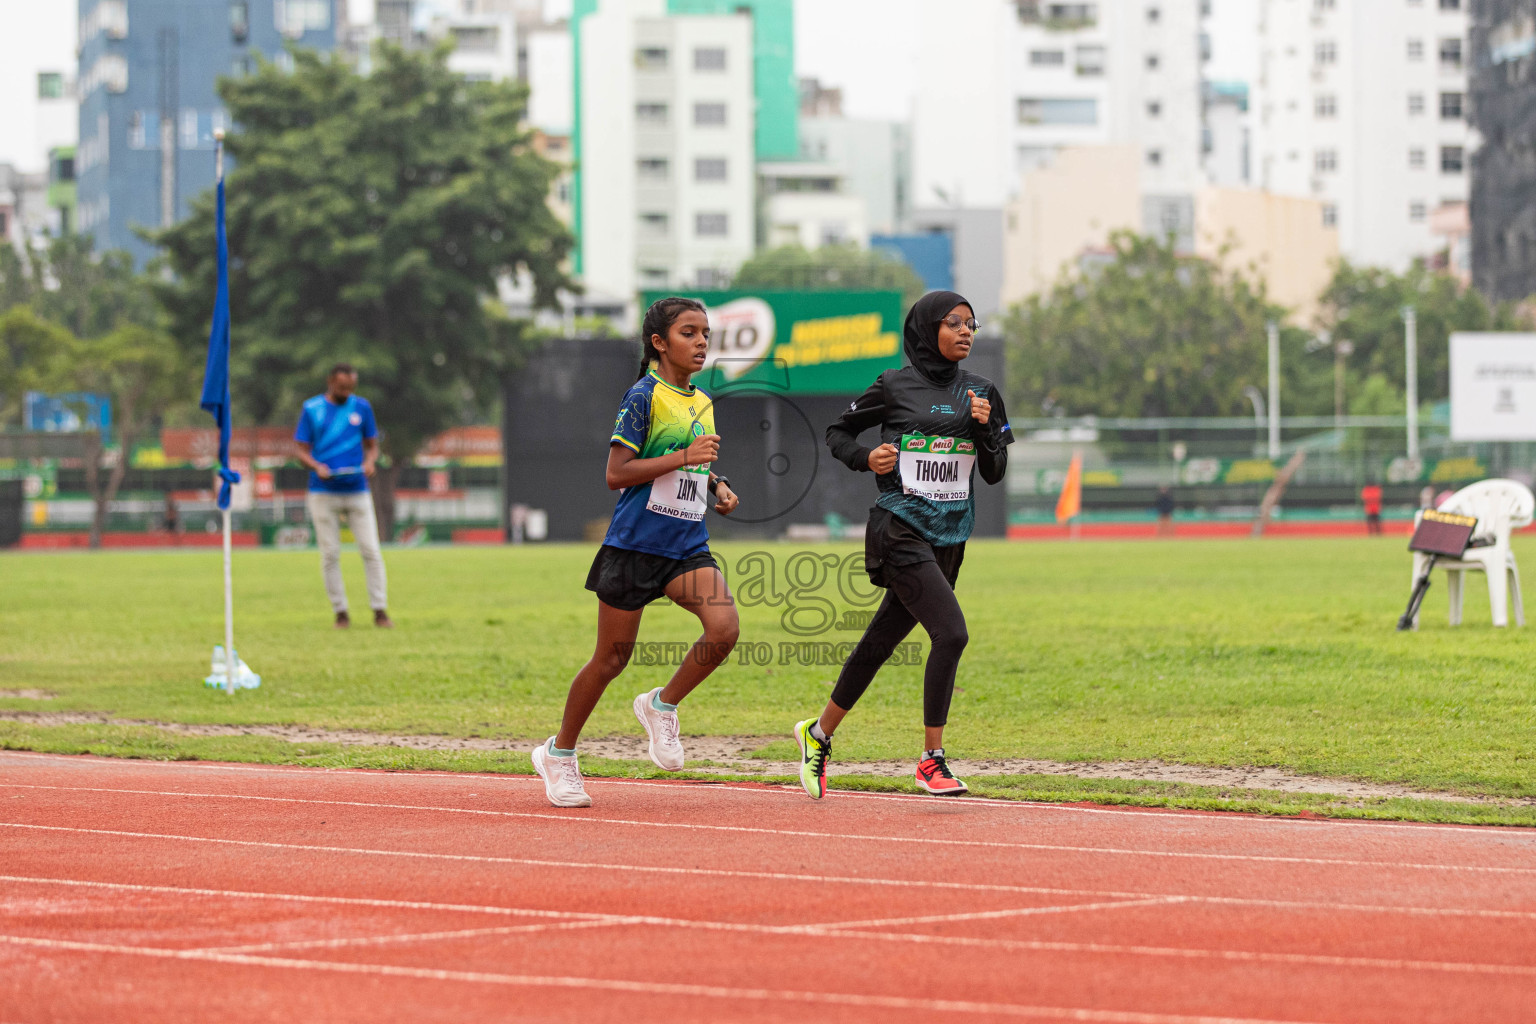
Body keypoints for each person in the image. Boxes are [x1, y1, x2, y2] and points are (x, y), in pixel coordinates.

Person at [793, 290, 1013, 799]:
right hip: (899, 528)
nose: (965, 332)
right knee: (951, 634)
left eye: (972, 324)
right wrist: (867, 457)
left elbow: (996, 472)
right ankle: (931, 761)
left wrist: (985, 432)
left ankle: (818, 734)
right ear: (926, 329)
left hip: (950, 536)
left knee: (879, 642)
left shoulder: (982, 391)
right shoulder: (895, 385)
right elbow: (837, 432)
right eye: (954, 323)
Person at [532, 297, 741, 808]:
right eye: (689, 333)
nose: (701, 342)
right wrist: (686, 457)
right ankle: (558, 756)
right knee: (610, 660)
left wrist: (715, 484)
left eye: (705, 334)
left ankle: (662, 705)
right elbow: (617, 474)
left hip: (686, 543)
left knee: (725, 628)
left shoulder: (701, 400)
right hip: (635, 545)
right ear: (659, 342)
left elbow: (690, 459)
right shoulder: (642, 396)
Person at [293, 363, 392, 629]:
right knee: (330, 554)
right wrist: (316, 466)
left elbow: (372, 446)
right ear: (330, 382)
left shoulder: (362, 407)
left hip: (357, 489)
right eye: (342, 387)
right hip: (323, 491)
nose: (346, 391)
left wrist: (371, 462)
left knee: (371, 551)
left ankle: (380, 610)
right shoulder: (312, 409)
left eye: (351, 387)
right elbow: (301, 450)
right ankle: (341, 612)